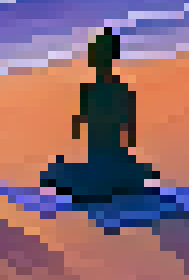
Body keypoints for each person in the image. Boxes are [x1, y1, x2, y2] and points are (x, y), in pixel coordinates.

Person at [37, 28, 158, 202]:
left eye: (98, 54)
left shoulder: (114, 89)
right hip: (99, 154)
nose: (95, 59)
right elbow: (84, 121)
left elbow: (127, 122)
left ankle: (106, 180)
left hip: (111, 153)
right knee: (65, 171)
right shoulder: (94, 89)